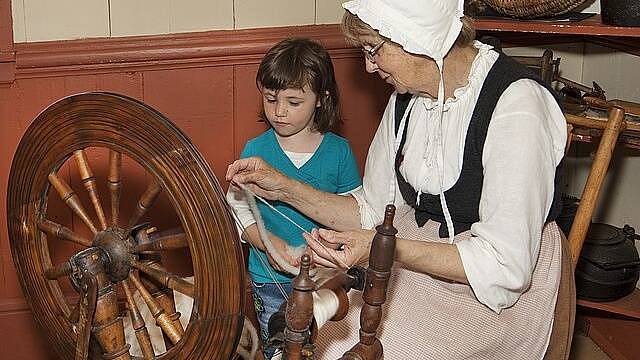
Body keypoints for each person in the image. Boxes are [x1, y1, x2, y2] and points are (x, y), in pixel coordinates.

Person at [226, 0, 568, 358]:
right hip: (409, 258)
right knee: (323, 346)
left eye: (374, 49)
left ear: (419, 36)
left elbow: (505, 266)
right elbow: (370, 208)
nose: (369, 65)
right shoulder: (407, 100)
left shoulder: (517, 105)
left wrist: (384, 249)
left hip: (491, 287)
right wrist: (285, 187)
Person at [226, 37, 362, 359]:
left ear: (321, 98)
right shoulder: (255, 151)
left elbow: (356, 215)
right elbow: (238, 209)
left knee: (323, 347)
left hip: (325, 278)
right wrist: (268, 243)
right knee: (281, 349)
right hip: (269, 280)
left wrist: (332, 259)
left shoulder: (339, 152)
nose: (279, 111)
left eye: (293, 102)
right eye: (271, 99)